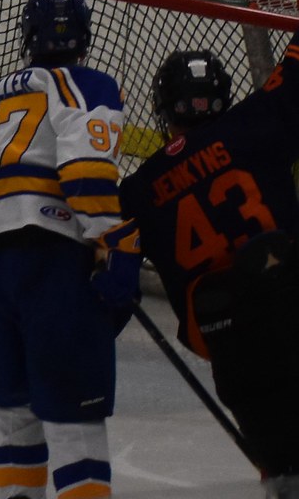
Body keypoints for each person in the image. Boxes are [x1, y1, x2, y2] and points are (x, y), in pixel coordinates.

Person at [0, 0, 139, 499]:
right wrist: (114, 241)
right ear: (84, 35)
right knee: (72, 415)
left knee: (12, 415)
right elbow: (85, 169)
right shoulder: (87, 82)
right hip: (49, 253)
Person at [119, 42, 299, 498]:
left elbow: (95, 241)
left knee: (285, 476)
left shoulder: (137, 193)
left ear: (163, 109)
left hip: (233, 359)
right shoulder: (257, 121)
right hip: (292, 320)